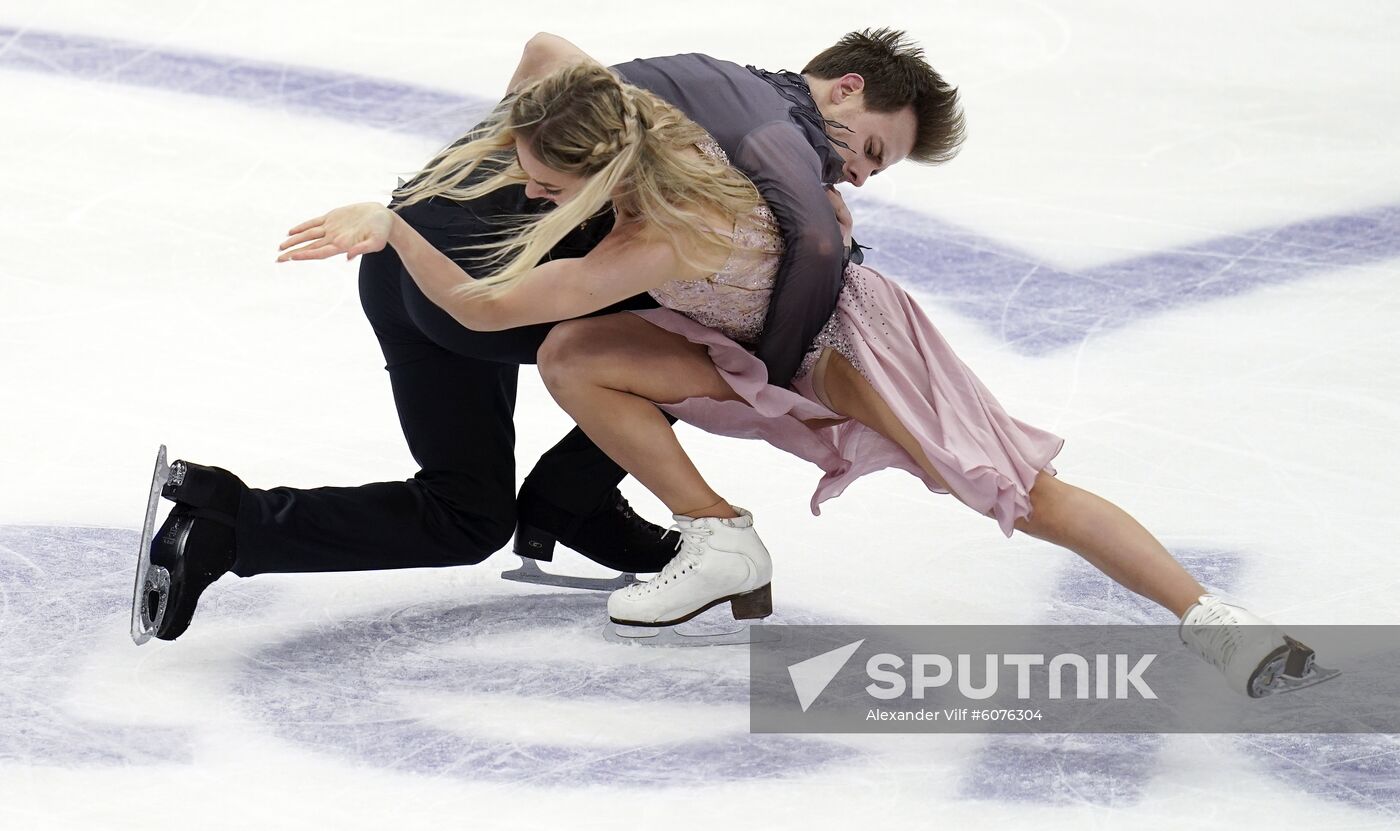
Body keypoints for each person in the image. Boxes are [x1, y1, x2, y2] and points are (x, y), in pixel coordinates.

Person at [280, 59, 1335, 698]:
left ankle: (1216, 625)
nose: (526, 189)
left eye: (546, 182)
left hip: (851, 346)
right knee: (577, 356)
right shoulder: (669, 146)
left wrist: (395, 222)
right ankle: (719, 534)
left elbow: (482, 308)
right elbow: (559, 57)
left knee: (1009, 490)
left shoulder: (664, 239)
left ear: (604, 178)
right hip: (748, 347)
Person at [142, 29, 966, 641]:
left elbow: (546, 52)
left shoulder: (712, 83)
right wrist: (780, 376)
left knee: (463, 515)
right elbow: (809, 258)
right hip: (475, 287)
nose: (859, 171)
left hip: (408, 271)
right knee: (715, 339)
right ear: (846, 89)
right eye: (870, 150)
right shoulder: (772, 145)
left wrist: (475, 172)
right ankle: (570, 497)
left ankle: (224, 525)